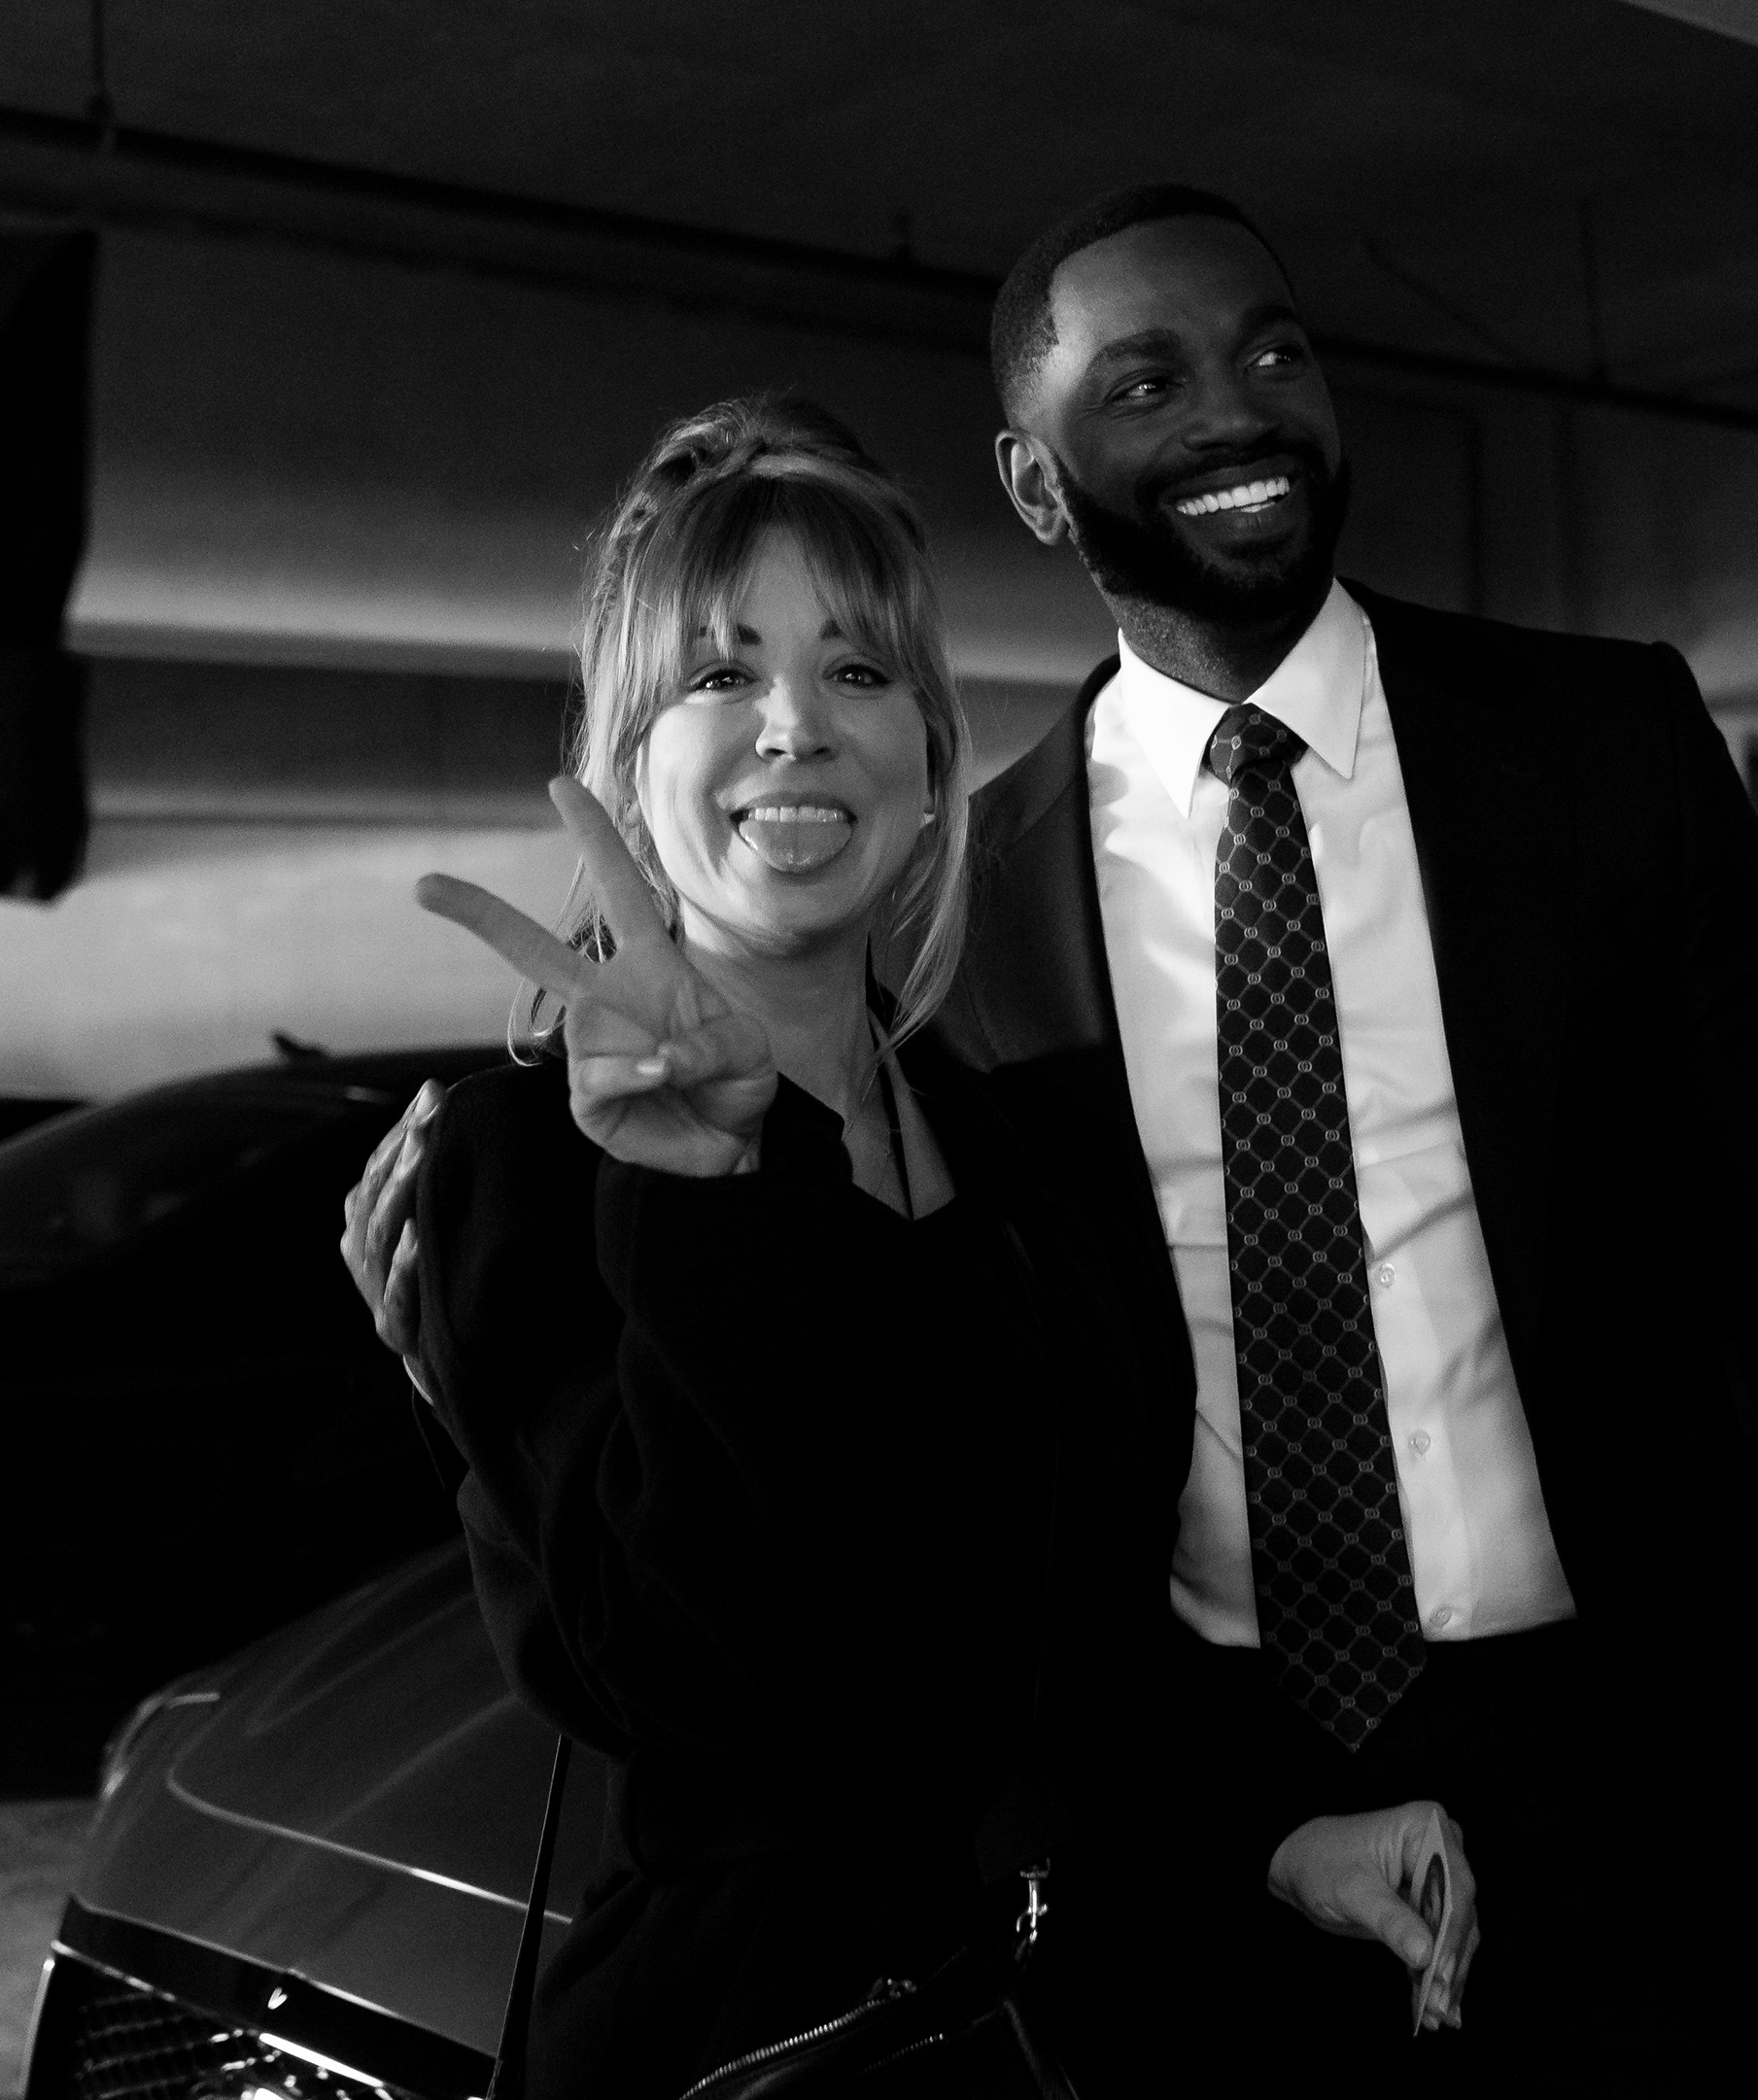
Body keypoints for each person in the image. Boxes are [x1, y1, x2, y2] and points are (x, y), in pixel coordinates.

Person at [355, 189, 1758, 2098]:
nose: (1234, 409)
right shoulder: (983, 944)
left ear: (923, 741)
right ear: (1036, 485)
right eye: (1145, 379)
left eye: (1275, 350)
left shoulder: (1595, 755)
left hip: (1597, 1788)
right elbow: (757, 1652)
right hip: (1025, 1971)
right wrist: (612, 1276)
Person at [398, 396, 1481, 2100]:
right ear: (629, 765)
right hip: (774, 2038)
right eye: (719, 674)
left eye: (856, 668)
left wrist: (1276, 1830)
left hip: (1095, 2014)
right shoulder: (520, 1167)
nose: (795, 726)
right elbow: (704, 1671)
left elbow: (1088, 1636)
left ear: (926, 753)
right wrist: (715, 1195)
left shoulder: (1028, 1140)